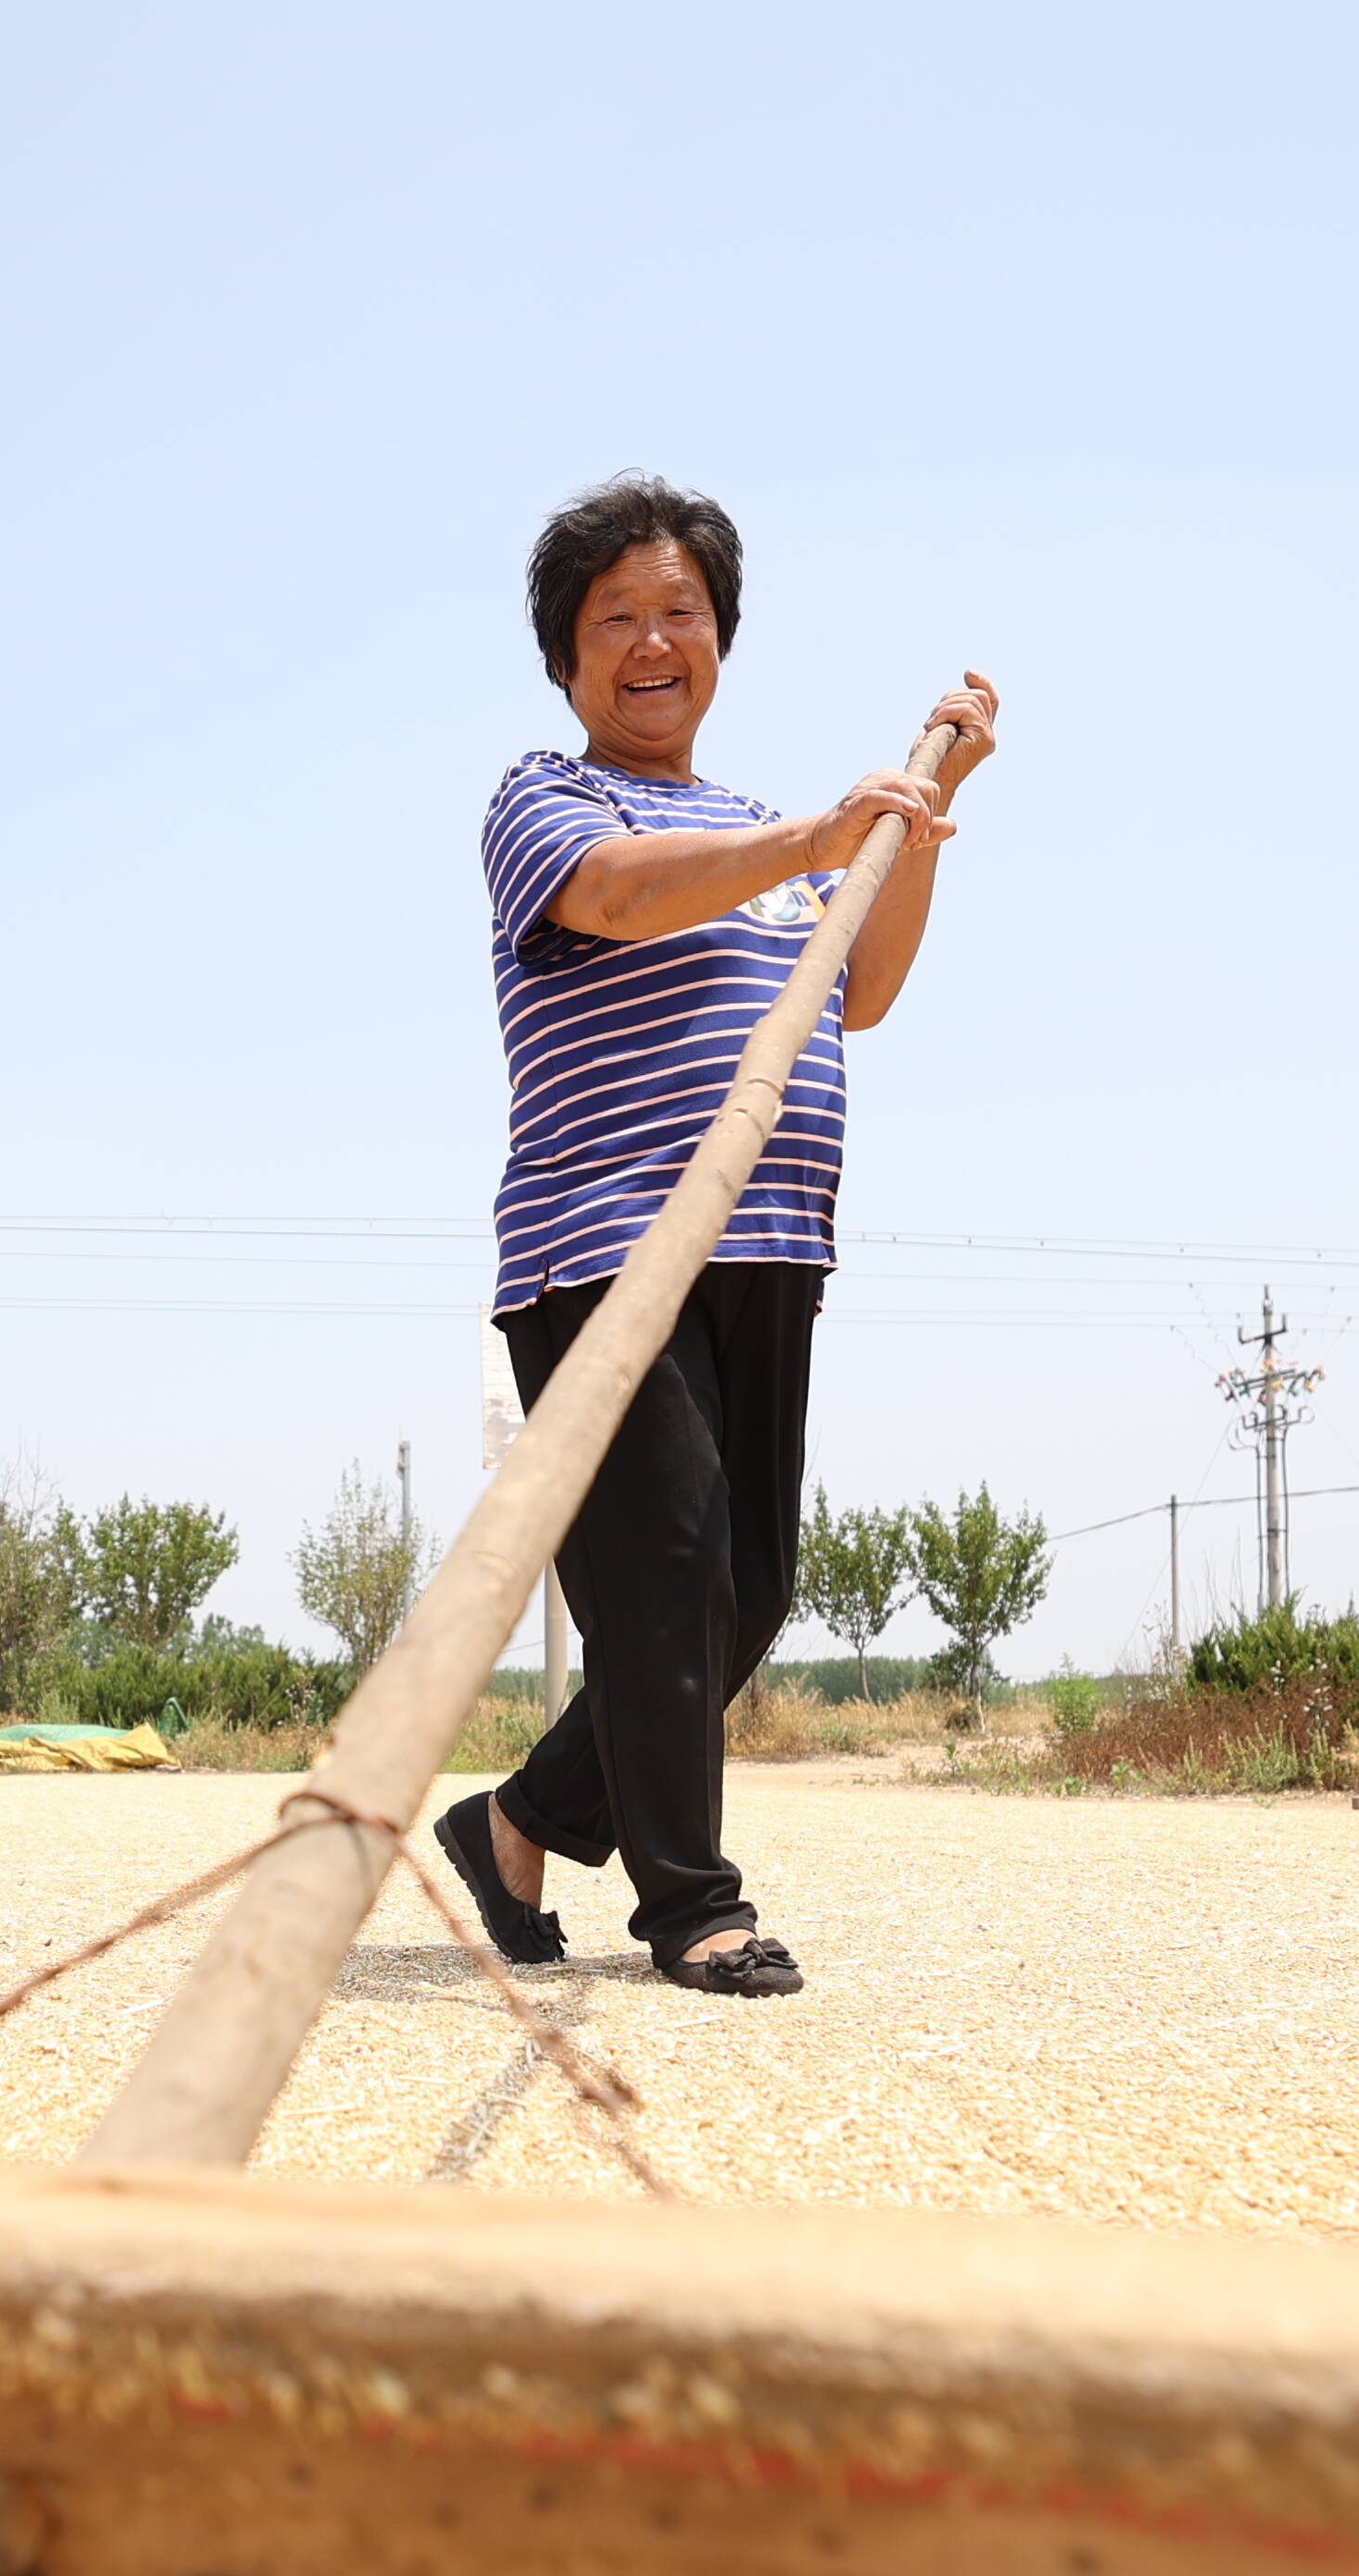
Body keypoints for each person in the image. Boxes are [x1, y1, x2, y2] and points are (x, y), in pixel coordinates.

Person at [432, 473, 995, 1996]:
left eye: (679, 611)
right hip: (609, 1239)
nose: (651, 642)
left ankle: (522, 1823)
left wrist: (913, 829)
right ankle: (693, 1905)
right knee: (671, 1574)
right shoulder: (552, 800)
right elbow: (614, 902)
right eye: (615, 617)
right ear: (567, 658)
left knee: (749, 1589)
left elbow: (862, 991)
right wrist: (822, 833)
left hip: (774, 1243)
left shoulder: (761, 828)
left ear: (720, 639)